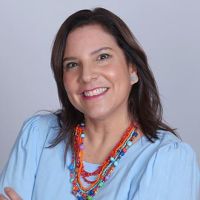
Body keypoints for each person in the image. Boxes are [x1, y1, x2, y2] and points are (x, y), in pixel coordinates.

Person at [0, 7, 199, 200]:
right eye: (72, 64)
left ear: (132, 69)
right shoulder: (37, 135)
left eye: (102, 57)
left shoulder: (168, 160)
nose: (86, 76)